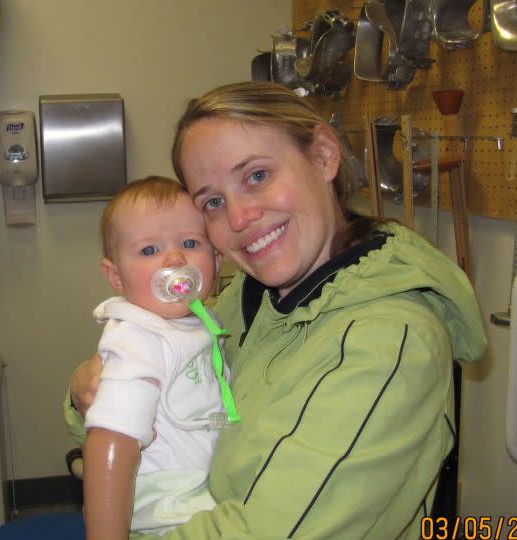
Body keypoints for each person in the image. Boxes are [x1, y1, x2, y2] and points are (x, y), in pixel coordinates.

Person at [64, 81, 488, 539]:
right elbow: (159, 397)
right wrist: (83, 390)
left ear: (324, 156)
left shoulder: (390, 346)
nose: (240, 217)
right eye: (213, 201)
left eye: (257, 176)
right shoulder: (247, 297)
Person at [81, 175, 233, 539]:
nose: (175, 258)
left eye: (190, 242)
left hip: (202, 492)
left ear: (216, 258)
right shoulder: (138, 337)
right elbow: (110, 441)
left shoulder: (201, 322)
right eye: (149, 250)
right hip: (166, 510)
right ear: (116, 277)